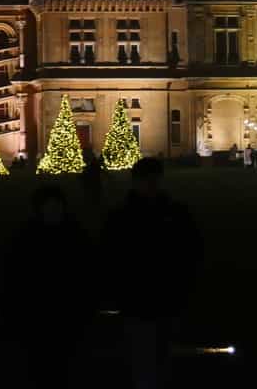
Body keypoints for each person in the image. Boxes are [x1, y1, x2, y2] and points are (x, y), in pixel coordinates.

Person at [102, 158, 201, 389]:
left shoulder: (174, 213)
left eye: (154, 179)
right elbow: (111, 256)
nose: (150, 185)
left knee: (162, 355)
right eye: (146, 180)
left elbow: (191, 250)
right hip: (138, 300)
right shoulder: (123, 217)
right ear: (136, 182)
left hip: (166, 298)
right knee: (144, 357)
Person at [6, 184, 95, 386]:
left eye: (57, 206)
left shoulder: (74, 234)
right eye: (49, 207)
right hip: (39, 318)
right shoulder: (27, 238)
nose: (54, 211)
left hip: (68, 316)